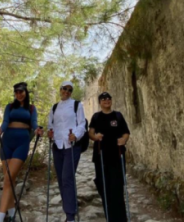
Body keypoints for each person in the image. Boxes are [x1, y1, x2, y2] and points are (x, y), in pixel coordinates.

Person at [0, 82, 43, 222]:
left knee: (8, 179)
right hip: (6, 143)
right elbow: (5, 122)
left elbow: (34, 123)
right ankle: (12, 213)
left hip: (22, 143)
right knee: (10, 181)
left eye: (21, 92)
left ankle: (0, 218)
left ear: (25, 92)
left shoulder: (32, 108)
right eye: (16, 92)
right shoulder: (9, 107)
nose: (19, 94)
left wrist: (38, 129)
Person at [47, 81, 86, 222]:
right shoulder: (54, 107)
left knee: (67, 178)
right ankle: (69, 208)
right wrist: (49, 132)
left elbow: (82, 124)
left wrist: (75, 134)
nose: (67, 92)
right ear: (60, 89)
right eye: (64, 89)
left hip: (72, 146)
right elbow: (50, 124)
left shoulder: (77, 105)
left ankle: (70, 216)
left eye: (70, 90)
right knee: (61, 180)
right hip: (57, 146)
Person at [89, 91, 130, 222]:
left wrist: (123, 140)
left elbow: (126, 133)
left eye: (108, 98)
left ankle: (121, 218)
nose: (106, 100)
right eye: (103, 99)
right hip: (101, 156)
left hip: (117, 156)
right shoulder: (96, 117)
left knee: (117, 187)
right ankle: (110, 217)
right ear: (100, 102)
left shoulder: (118, 116)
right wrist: (95, 137)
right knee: (103, 186)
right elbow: (91, 133)